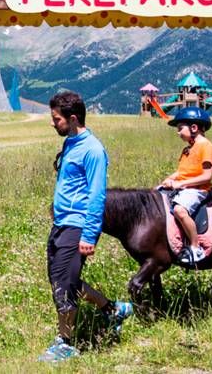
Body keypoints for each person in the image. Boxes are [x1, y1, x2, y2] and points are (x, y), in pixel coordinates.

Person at [39, 91, 133, 363]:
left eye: (56, 119)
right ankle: (112, 310)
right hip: (62, 223)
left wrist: (89, 235)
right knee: (62, 279)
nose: (52, 123)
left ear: (72, 118)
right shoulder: (71, 143)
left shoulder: (93, 150)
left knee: (64, 283)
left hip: (78, 225)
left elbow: (97, 195)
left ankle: (65, 343)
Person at [159, 107, 212, 265]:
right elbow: (181, 172)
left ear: (194, 128)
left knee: (179, 210)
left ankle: (195, 246)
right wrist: (168, 180)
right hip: (185, 186)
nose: (178, 132)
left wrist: (180, 184)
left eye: (180, 128)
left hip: (198, 189)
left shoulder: (206, 147)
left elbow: (207, 176)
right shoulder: (188, 149)